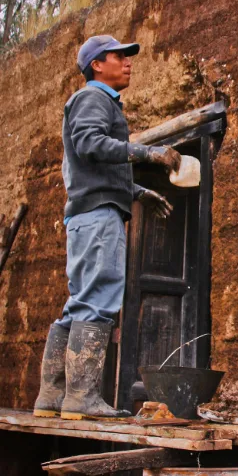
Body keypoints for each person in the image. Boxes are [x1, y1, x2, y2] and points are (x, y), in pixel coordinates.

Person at [33, 35, 182, 420]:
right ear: (97, 64)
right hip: (98, 217)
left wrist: (137, 191)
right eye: (120, 56)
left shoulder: (94, 102)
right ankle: (81, 398)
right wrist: (147, 152)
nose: (128, 62)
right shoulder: (93, 99)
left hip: (89, 213)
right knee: (98, 300)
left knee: (78, 304)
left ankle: (52, 398)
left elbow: (94, 168)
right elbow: (89, 145)